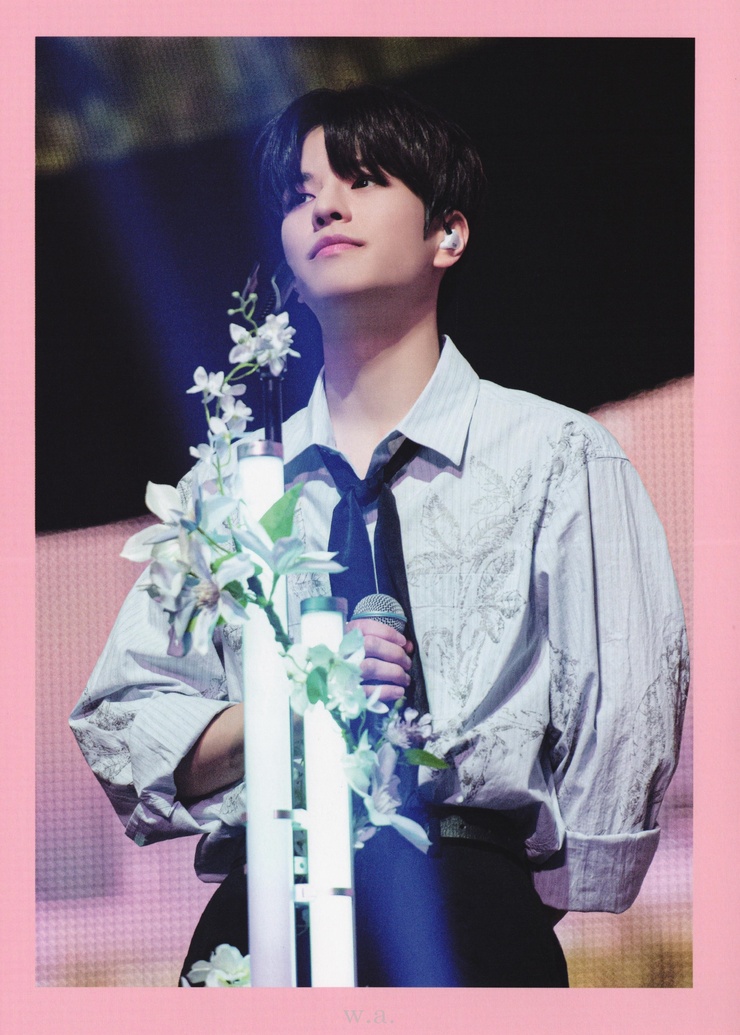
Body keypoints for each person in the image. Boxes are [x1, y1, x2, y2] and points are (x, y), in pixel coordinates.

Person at [70, 85, 689, 987]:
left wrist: (505, 893)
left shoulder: (557, 455)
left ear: (449, 233)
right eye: (299, 195)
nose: (324, 205)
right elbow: (120, 721)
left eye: (362, 179)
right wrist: (292, 699)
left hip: (473, 910)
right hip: (263, 918)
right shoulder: (230, 490)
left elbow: (625, 700)